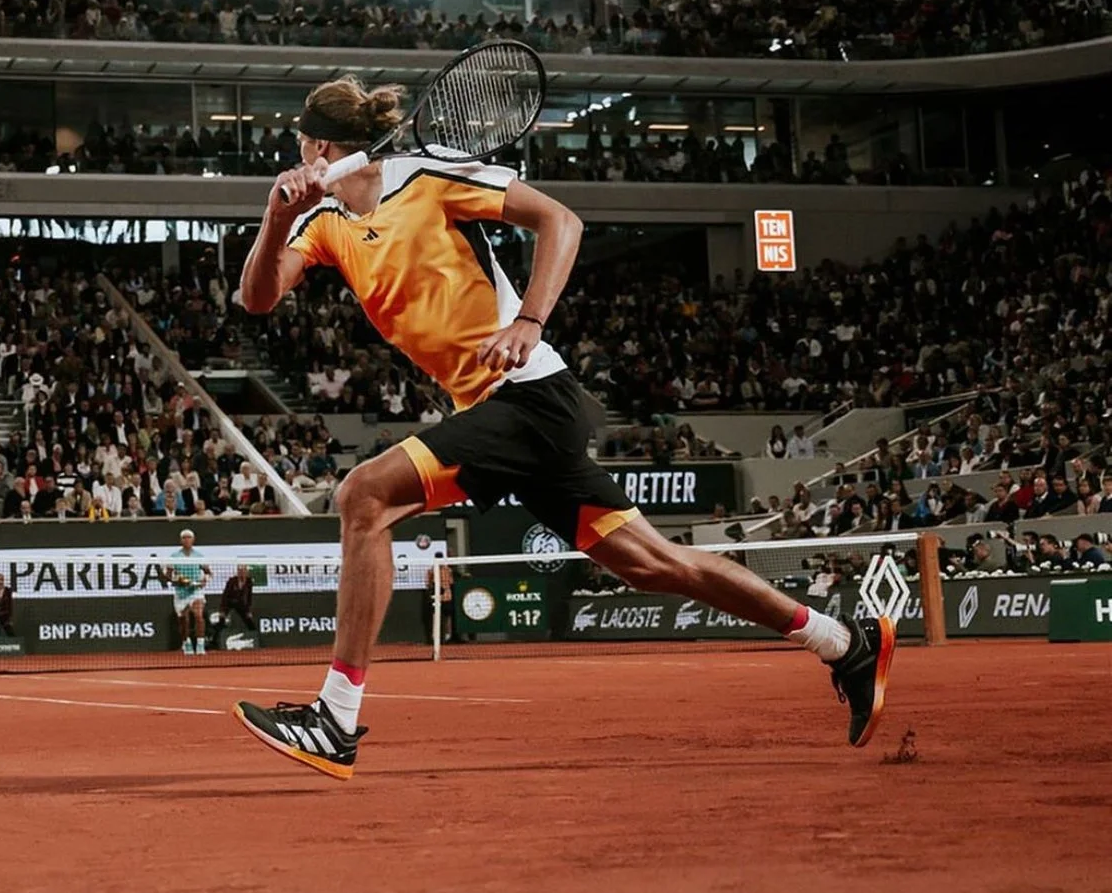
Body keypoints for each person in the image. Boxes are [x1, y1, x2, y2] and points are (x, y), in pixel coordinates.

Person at [232, 76, 895, 781]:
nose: (297, 152)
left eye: (299, 141)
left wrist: (528, 320)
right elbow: (257, 297)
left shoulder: (424, 176)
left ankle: (333, 719)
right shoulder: (323, 220)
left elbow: (561, 221)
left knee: (363, 495)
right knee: (653, 564)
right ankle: (842, 641)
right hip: (500, 414)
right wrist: (277, 215)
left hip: (530, 396)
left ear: (318, 142)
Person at [165, 527, 211, 656]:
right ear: (181, 540)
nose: (187, 540)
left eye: (189, 537)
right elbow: (168, 576)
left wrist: (204, 580)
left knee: (198, 616)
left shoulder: (199, 556)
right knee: (184, 621)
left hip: (196, 591)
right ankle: (187, 643)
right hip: (180, 593)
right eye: (184, 537)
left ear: (193, 540)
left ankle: (201, 646)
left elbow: (208, 572)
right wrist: (178, 579)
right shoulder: (174, 556)